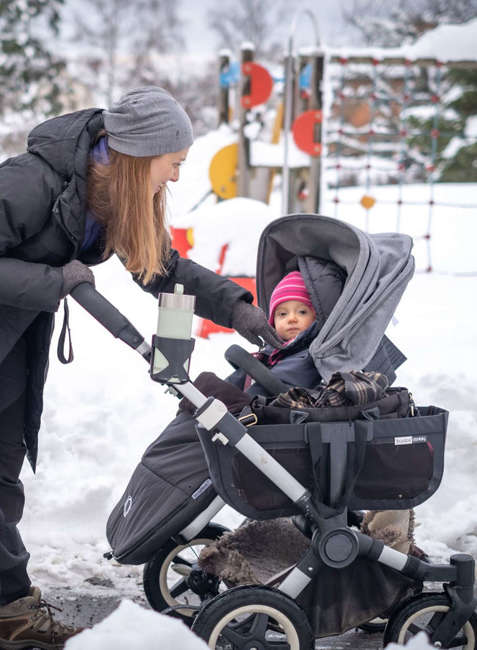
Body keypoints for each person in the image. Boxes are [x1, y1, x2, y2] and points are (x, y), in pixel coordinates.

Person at [0, 85, 281, 647]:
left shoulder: (113, 196)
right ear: (138, 154)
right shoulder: (31, 181)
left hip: (17, 341)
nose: (175, 177)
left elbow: (163, 268)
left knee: (3, 469)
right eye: (173, 163)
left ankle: (7, 607)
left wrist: (237, 308)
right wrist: (54, 281)